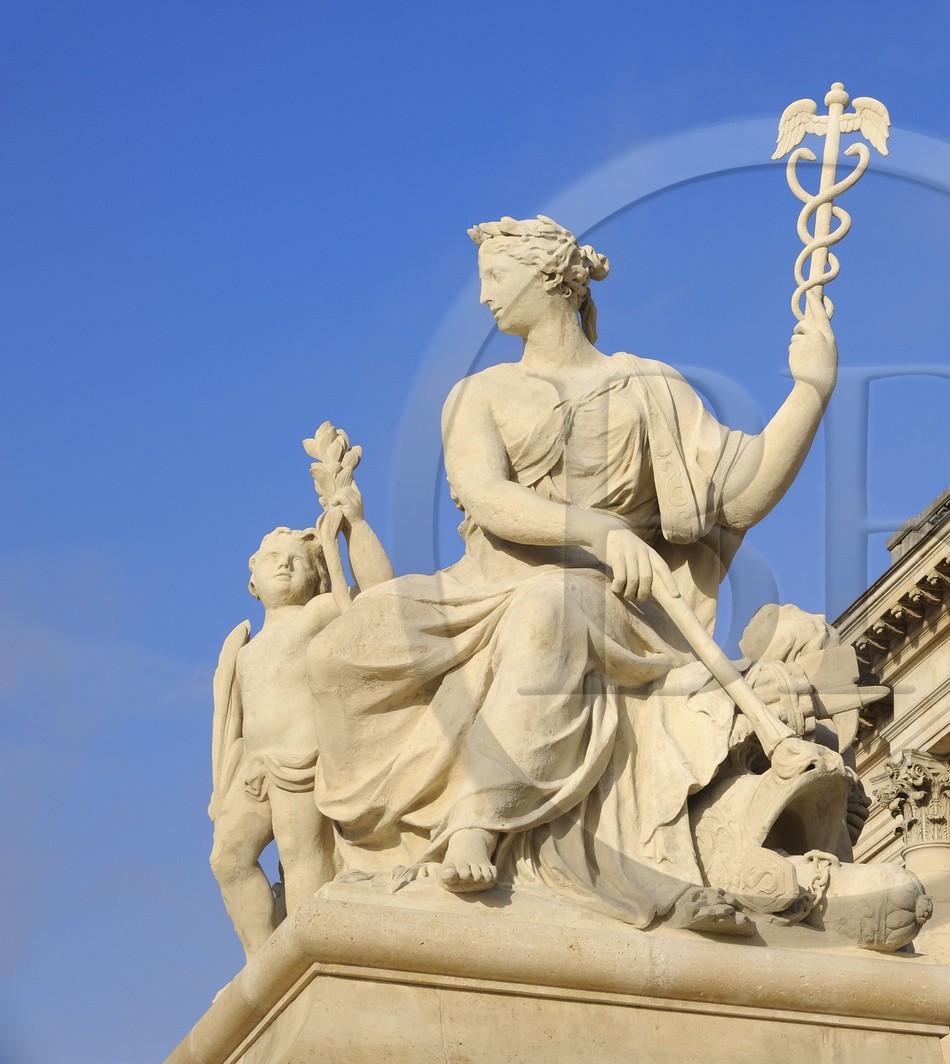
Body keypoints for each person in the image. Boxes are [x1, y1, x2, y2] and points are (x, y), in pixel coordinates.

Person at [308, 216, 838, 929]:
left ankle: (478, 818)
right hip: (480, 584)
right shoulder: (480, 393)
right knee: (343, 650)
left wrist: (810, 393)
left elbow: (740, 492)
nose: (485, 299)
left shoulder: (648, 387)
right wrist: (594, 527)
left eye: (496, 278)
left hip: (605, 600)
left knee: (550, 607)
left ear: (548, 278)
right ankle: (354, 858)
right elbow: (486, 495)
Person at [209, 473, 393, 954]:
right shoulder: (243, 647)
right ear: (252, 578)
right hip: (254, 769)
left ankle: (311, 951)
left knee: (300, 856)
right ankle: (262, 958)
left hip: (303, 762)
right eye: (274, 560)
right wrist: (227, 780)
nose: (286, 567)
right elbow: (232, 722)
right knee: (228, 860)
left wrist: (348, 526)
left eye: (296, 561)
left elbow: (379, 599)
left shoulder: (317, 615)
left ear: (316, 576)